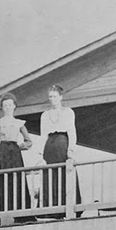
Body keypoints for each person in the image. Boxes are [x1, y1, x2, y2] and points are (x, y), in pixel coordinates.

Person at [0, 92, 32, 215]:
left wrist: (21, 146)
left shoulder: (19, 123)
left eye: (10, 105)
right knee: (0, 182)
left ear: (14, 106)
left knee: (17, 181)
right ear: (2, 107)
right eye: (5, 105)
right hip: (2, 153)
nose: (8, 108)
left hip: (15, 155)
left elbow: (29, 141)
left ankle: (20, 214)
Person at [39, 84, 81, 212]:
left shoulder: (68, 112)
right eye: (50, 97)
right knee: (50, 174)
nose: (52, 99)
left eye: (55, 97)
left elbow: (72, 132)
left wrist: (71, 150)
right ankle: (51, 209)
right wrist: (40, 154)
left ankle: (70, 206)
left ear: (61, 97)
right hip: (49, 146)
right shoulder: (45, 115)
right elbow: (43, 136)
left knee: (64, 173)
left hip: (63, 143)